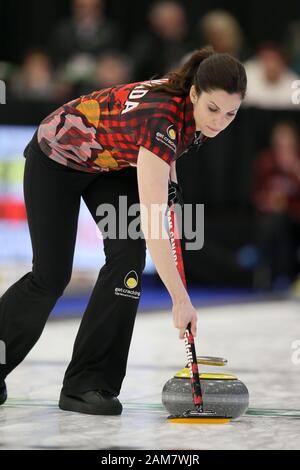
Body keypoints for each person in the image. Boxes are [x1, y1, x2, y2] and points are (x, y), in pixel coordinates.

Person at [0, 47, 247, 415]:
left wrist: (172, 194)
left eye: (231, 114)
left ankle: (87, 384)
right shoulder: (161, 119)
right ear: (194, 94)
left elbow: (171, 167)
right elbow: (153, 220)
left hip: (107, 162)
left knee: (128, 259)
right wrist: (180, 299)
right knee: (51, 276)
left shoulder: (198, 113)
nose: (219, 122)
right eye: (213, 110)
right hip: (56, 157)